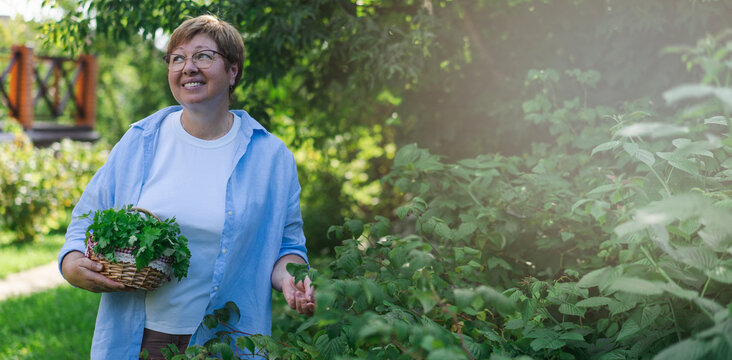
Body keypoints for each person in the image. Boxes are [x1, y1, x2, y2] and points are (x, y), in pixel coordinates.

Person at [58, 14, 315, 360]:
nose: (188, 67)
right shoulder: (140, 141)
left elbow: (287, 245)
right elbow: (85, 219)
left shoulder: (271, 157)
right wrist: (72, 263)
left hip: (229, 343)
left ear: (233, 71)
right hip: (141, 340)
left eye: (203, 57)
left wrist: (291, 278)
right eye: (177, 58)